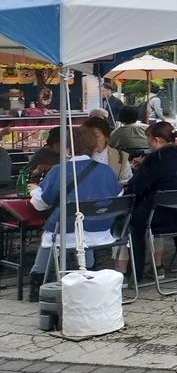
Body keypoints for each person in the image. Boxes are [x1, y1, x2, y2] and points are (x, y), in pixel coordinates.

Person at [27, 125, 124, 295]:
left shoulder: (59, 171)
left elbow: (40, 204)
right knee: (83, 226)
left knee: (50, 235)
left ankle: (38, 280)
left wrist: (34, 190)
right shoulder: (107, 171)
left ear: (67, 148)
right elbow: (118, 198)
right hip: (103, 232)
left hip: (66, 234)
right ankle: (88, 271)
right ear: (93, 146)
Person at [126, 122, 177, 278]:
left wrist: (139, 172)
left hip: (161, 219)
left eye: (148, 140)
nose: (148, 144)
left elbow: (136, 187)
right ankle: (158, 265)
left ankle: (135, 272)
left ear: (156, 140)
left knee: (131, 219)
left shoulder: (156, 158)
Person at [81, 115, 132, 184]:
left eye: (96, 136)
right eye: (88, 137)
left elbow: (128, 181)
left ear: (106, 137)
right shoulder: (77, 157)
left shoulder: (121, 157)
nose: (91, 140)